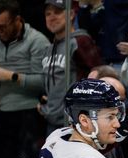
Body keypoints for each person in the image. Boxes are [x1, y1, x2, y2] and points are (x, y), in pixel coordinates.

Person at [0, 0, 49, 158]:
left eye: (3, 27)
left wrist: (12, 76)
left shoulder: (37, 41)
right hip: (3, 112)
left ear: (17, 20)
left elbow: (44, 82)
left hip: (30, 114)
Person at [39, 0, 103, 133]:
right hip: (51, 122)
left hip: (75, 123)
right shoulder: (47, 49)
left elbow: (99, 73)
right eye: (48, 14)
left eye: (57, 12)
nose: (52, 17)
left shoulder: (80, 41)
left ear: (71, 14)